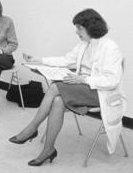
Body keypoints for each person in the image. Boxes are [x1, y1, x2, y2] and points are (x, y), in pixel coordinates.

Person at [9, 9, 126, 166]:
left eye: (79, 28)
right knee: (57, 101)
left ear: (91, 27)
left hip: (100, 93)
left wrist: (83, 79)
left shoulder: (110, 48)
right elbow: (65, 60)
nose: (76, 31)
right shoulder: (84, 44)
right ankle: (48, 150)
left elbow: (112, 80)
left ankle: (32, 128)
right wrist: (39, 60)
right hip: (81, 87)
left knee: (54, 88)